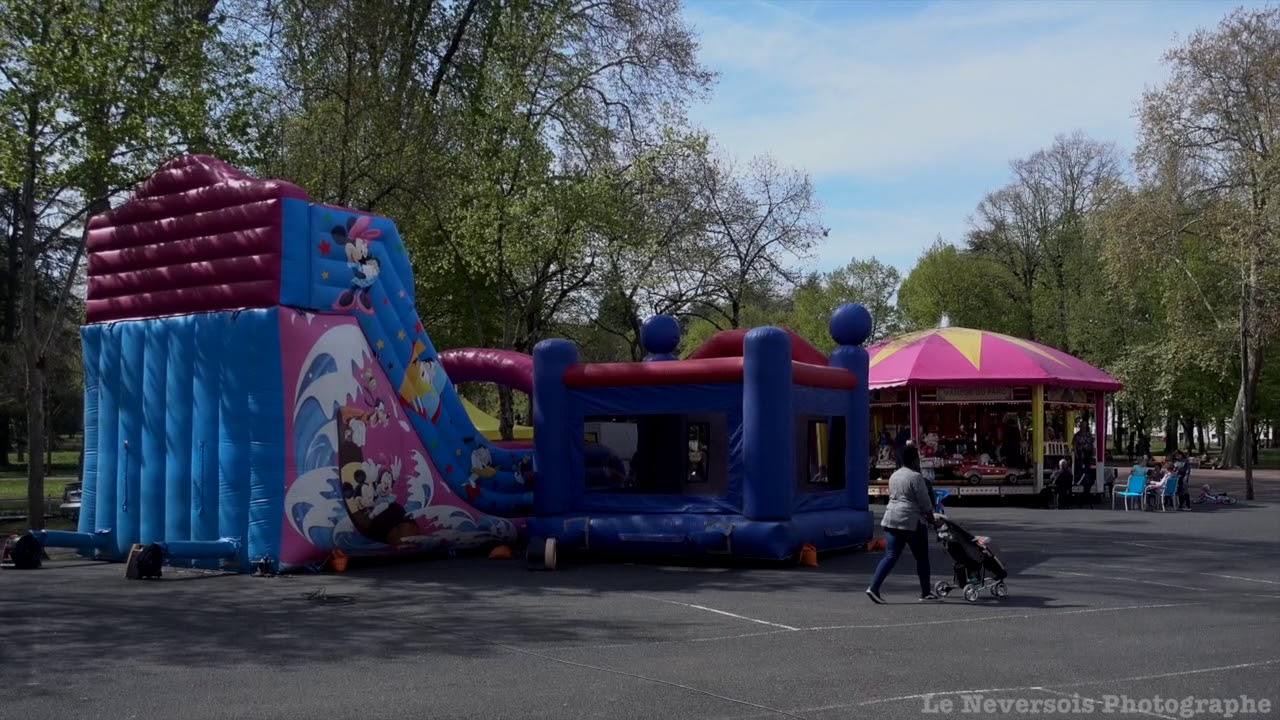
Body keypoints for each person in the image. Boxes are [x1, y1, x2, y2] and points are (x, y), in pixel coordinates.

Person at [866, 444, 938, 603]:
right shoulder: (916, 477)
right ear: (914, 460)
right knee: (922, 557)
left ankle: (874, 587)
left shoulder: (894, 475)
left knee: (890, 556)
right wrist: (932, 519)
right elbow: (925, 502)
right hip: (911, 520)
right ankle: (925, 592)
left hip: (891, 518)